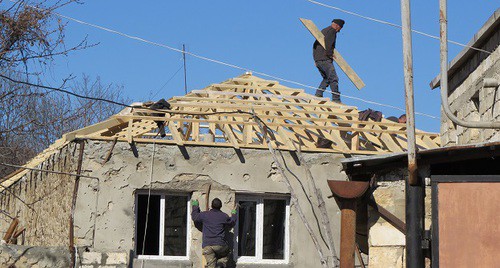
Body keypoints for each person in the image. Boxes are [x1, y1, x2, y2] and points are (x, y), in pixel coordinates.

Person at [191, 198, 237, 268]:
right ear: (220, 206)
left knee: (211, 265)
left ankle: (214, 265)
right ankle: (220, 263)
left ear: (211, 205)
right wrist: (233, 213)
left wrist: (195, 206)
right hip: (220, 245)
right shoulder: (224, 216)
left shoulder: (205, 215)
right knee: (227, 253)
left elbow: (195, 217)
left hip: (208, 246)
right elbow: (232, 223)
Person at [313, 19, 345, 103]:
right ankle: (336, 99)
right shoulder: (332, 31)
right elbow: (328, 44)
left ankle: (318, 94)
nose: (339, 31)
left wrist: (315, 60)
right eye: (340, 28)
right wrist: (330, 54)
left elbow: (314, 45)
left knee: (327, 78)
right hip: (325, 59)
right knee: (334, 78)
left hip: (318, 59)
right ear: (338, 26)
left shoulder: (324, 30)